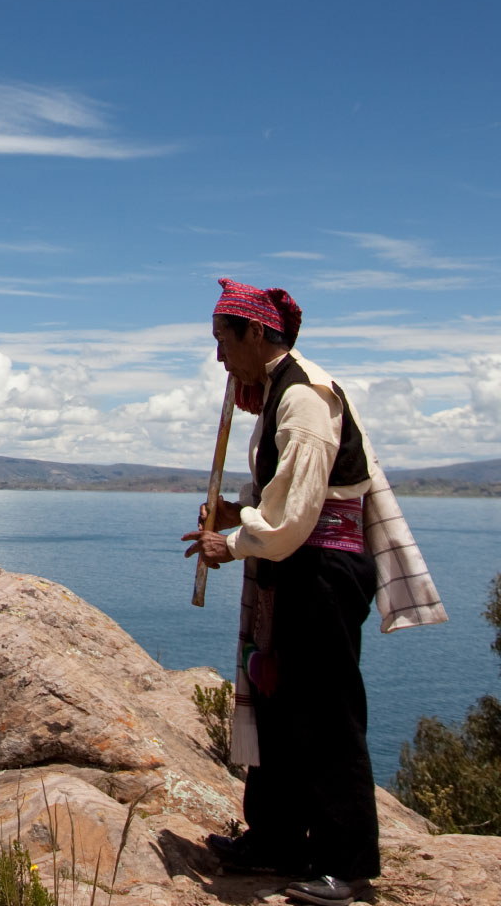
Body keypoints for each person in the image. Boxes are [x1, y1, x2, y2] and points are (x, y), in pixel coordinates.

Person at [182, 278, 431, 906]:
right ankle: (277, 840)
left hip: (323, 570)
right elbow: (281, 502)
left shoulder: (305, 397)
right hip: (300, 564)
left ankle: (345, 865)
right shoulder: (275, 395)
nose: (219, 357)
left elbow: (297, 513)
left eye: (223, 341)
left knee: (325, 713)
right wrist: (239, 512)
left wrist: (233, 542)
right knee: (278, 705)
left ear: (257, 334)